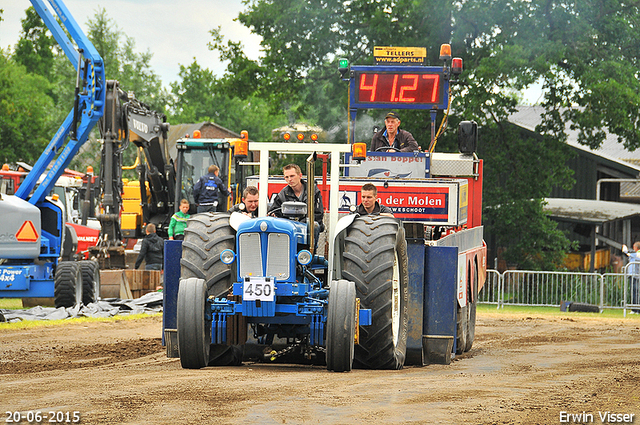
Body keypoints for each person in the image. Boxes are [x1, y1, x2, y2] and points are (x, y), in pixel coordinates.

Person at [623, 241, 640, 313]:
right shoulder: (635, 254)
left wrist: (625, 249)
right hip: (633, 275)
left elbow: (627, 253)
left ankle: (635, 309)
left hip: (635, 275)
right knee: (634, 292)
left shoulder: (637, 254)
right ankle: (635, 308)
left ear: (635, 247)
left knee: (635, 292)